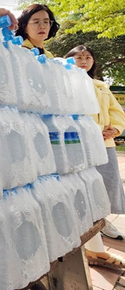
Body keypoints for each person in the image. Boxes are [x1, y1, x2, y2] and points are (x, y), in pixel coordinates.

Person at [65, 45, 125, 269]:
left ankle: (104, 221)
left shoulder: (101, 86)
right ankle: (92, 234)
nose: (83, 60)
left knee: (108, 183)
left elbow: (116, 112)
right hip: (81, 142)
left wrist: (115, 130)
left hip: (105, 143)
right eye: (78, 57)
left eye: (88, 57)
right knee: (85, 187)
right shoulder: (65, 82)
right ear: (69, 60)